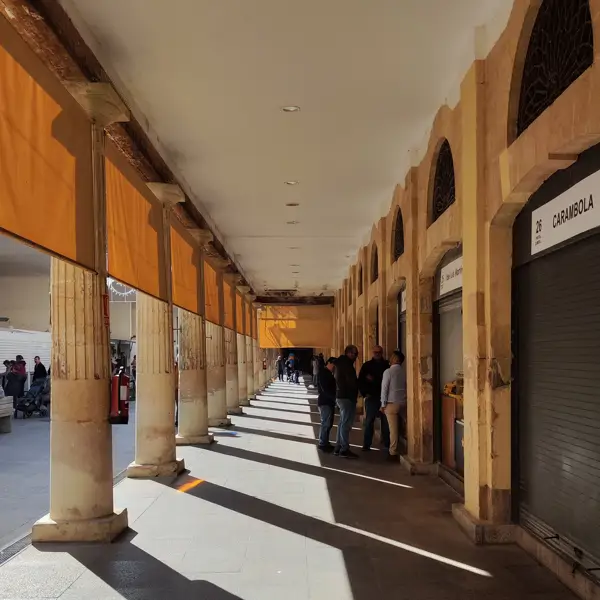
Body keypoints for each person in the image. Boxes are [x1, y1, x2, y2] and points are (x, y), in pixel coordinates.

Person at [358, 345, 390, 451]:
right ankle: (366, 444)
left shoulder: (387, 365)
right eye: (375, 352)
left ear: (382, 353)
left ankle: (387, 444)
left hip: (385, 398)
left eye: (379, 352)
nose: (377, 354)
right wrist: (364, 393)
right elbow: (361, 380)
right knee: (369, 421)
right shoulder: (366, 366)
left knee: (385, 422)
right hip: (371, 397)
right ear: (372, 353)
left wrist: (373, 379)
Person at [380, 350, 408, 461]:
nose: (390, 358)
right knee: (407, 426)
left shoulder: (388, 372)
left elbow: (384, 389)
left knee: (393, 430)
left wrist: (382, 404)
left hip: (391, 404)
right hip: (403, 402)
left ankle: (393, 452)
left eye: (392, 356)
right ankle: (410, 449)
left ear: (396, 359)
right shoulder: (404, 372)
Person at [333, 344, 360, 459]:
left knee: (342, 422)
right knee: (346, 424)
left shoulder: (340, 363)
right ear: (348, 353)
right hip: (347, 397)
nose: (355, 357)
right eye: (354, 354)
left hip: (340, 396)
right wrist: (358, 388)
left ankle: (338, 446)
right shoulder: (346, 365)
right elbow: (351, 382)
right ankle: (344, 449)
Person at [317, 357, 337, 452]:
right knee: (325, 423)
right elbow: (324, 389)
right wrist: (334, 398)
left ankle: (325, 441)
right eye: (333, 364)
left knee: (329, 423)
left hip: (329, 402)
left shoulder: (329, 373)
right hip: (325, 401)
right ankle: (322, 443)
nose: (334, 367)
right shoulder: (323, 373)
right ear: (328, 363)